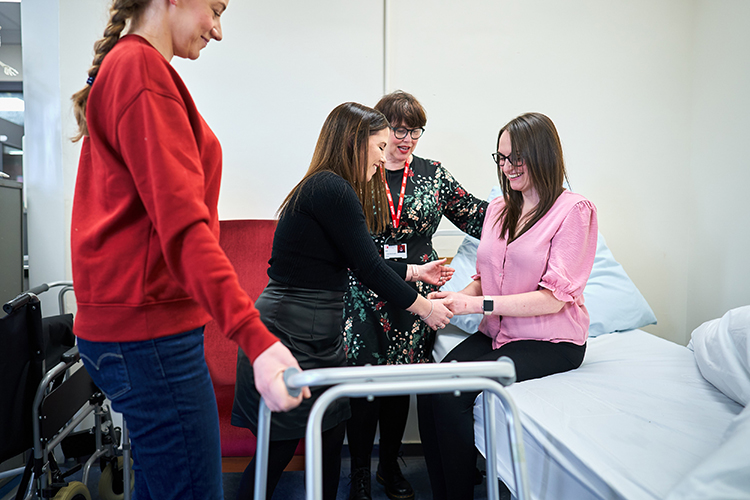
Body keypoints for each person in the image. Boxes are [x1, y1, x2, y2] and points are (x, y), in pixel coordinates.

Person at [69, 1, 307, 499]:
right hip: (148, 333)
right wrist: (257, 341)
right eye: (215, 10)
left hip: (140, 328)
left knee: (162, 488)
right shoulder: (139, 71)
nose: (218, 31)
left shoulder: (136, 68)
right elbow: (184, 229)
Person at [230, 102, 455, 500]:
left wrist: (418, 274)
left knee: (332, 435)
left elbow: (361, 258)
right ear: (356, 142)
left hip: (320, 328)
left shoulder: (334, 188)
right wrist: (426, 308)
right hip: (289, 329)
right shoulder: (329, 187)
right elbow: (368, 265)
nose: (386, 156)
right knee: (280, 446)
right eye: (381, 145)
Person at [418, 112, 598, 500]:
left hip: (551, 341)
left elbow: (553, 298)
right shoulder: (500, 208)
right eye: (501, 157)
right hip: (499, 332)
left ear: (543, 156)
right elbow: (486, 274)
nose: (507, 167)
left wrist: (475, 304)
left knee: (453, 395)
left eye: (516, 157)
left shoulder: (574, 211)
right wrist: (455, 300)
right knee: (430, 384)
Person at [342, 90, 488, 500]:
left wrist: (530, 208)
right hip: (366, 289)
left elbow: (476, 214)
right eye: (398, 129)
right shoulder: (359, 172)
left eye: (415, 130)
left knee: (400, 383)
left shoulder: (433, 174)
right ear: (380, 129)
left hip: (417, 293)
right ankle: (358, 475)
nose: (406, 139)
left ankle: (389, 468)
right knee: (364, 383)